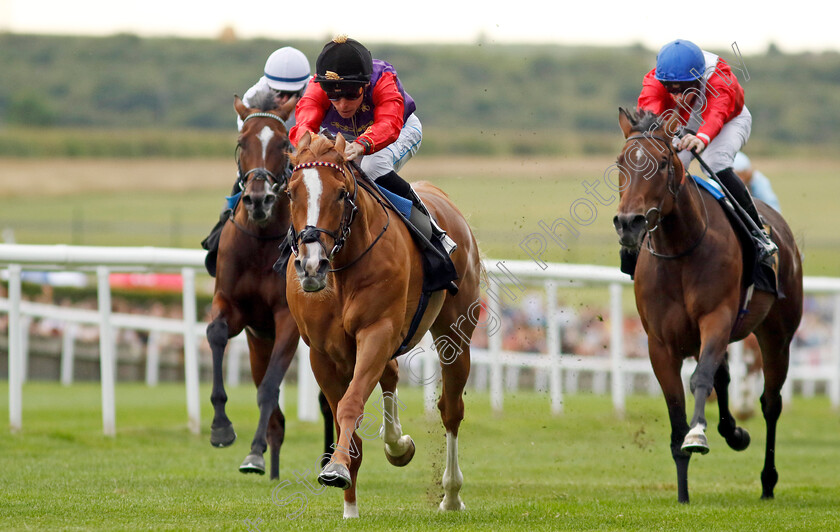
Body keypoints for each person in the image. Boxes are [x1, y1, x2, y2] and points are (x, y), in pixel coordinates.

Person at [289, 35, 457, 291]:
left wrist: (362, 145)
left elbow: (389, 124)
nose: (342, 104)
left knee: (371, 168)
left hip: (399, 130)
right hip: (346, 138)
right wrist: (308, 143)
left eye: (350, 94)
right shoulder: (317, 86)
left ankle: (434, 235)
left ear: (365, 85)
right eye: (334, 97)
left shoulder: (383, 79)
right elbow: (304, 122)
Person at [637, 39, 777, 264]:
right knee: (665, 166)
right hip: (685, 122)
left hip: (730, 119)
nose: (677, 97)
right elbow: (649, 118)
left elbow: (717, 113)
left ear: (698, 78)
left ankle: (758, 235)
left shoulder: (719, 77)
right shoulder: (655, 81)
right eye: (671, 90)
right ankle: (643, 234)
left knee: (713, 163)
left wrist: (702, 138)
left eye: (684, 89)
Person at [201, 47, 311, 277]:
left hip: (302, 152)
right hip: (268, 157)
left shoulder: (315, 92)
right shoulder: (252, 96)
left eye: (290, 93)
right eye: (277, 91)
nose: (282, 98)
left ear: (304, 87)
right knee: (246, 182)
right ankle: (219, 237)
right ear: (268, 85)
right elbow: (249, 140)